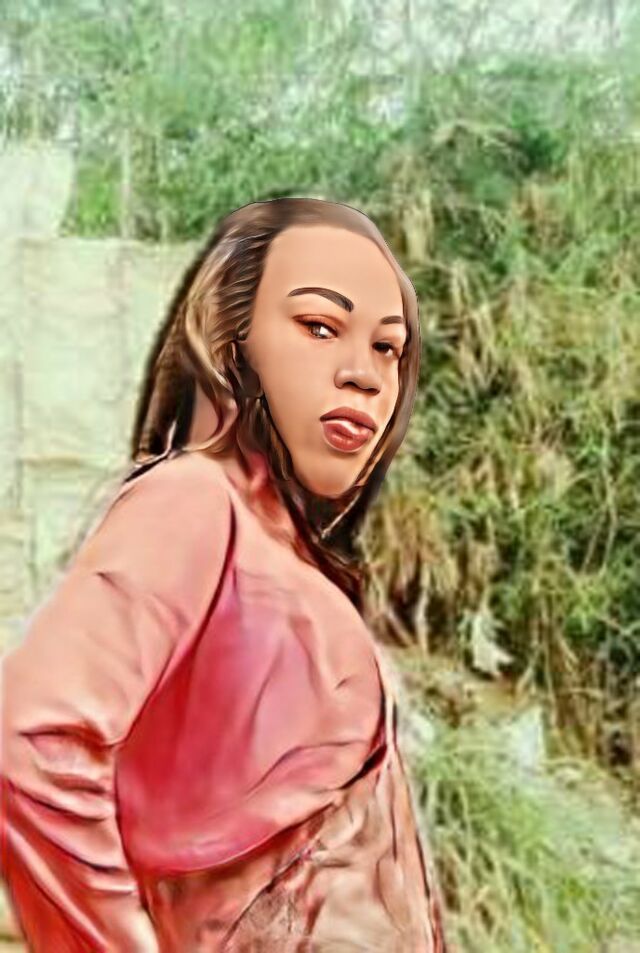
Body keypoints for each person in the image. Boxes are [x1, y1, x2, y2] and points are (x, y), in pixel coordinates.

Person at [0, 197, 449, 951]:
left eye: (388, 349)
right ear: (230, 337)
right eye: (320, 326)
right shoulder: (192, 502)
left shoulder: (282, 550)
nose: (365, 375)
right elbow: (32, 741)